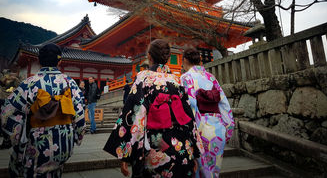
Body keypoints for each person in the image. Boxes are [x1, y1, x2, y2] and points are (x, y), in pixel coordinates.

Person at [104, 39, 204, 178]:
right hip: (181, 148)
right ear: (168, 58)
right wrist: (194, 152)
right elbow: (188, 118)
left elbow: (133, 115)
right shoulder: (177, 80)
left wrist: (125, 154)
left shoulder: (143, 77)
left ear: (149, 57)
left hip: (154, 149)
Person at [1, 43, 86, 177]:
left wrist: (16, 141)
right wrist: (77, 136)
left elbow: (7, 114)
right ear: (60, 61)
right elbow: (80, 114)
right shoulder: (71, 83)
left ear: (39, 61)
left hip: (36, 146)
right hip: (63, 146)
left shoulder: (29, 83)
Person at [180, 47, 235, 178]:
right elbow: (224, 105)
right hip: (218, 130)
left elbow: (191, 106)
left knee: (199, 173)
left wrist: (190, 133)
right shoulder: (211, 78)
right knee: (213, 173)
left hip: (200, 130)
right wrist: (228, 128)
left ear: (185, 60)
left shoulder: (185, 78)